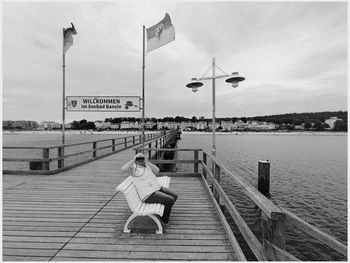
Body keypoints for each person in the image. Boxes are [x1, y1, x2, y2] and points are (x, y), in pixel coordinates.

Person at [121, 153, 178, 226]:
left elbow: (157, 170)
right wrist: (133, 160)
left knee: (175, 196)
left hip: (157, 188)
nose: (140, 161)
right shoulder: (134, 169)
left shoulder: (147, 166)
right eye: (138, 159)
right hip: (148, 194)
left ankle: (164, 211)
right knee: (170, 200)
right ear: (135, 161)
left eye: (142, 159)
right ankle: (164, 219)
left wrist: (147, 162)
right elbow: (123, 169)